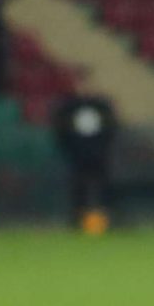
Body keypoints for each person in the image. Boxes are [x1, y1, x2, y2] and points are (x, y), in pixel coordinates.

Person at [49, 91, 117, 234]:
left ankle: (105, 220)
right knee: (78, 187)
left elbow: (111, 130)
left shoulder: (100, 108)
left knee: (103, 186)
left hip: (97, 156)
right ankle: (78, 220)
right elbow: (61, 131)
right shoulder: (71, 109)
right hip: (78, 156)